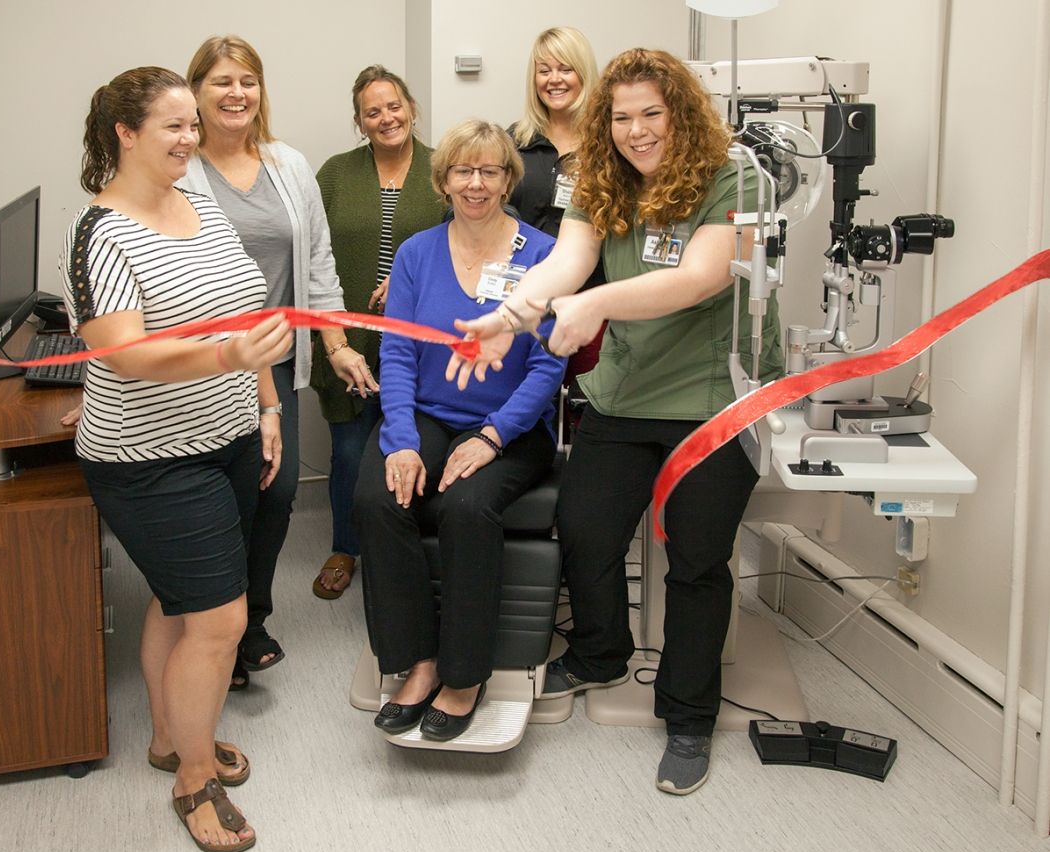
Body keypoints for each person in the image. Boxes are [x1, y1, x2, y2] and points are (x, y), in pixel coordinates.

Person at [450, 49, 783, 792]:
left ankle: (688, 714)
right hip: (626, 391)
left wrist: (595, 305)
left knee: (697, 561)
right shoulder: (601, 177)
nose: (636, 131)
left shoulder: (732, 177)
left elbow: (699, 279)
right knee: (586, 530)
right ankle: (602, 652)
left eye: (651, 114)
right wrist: (511, 314)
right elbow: (568, 261)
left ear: (681, 112)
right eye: (622, 117)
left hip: (712, 400)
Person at [63, 66, 295, 852]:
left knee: (179, 600)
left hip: (226, 436)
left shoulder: (196, 198)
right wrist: (228, 357)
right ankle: (193, 778)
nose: (192, 138)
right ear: (125, 133)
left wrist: (265, 402)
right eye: (175, 125)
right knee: (220, 620)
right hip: (151, 458)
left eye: (193, 123)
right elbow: (124, 355)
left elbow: (246, 312)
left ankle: (170, 737)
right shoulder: (101, 232)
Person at [355, 120, 565, 742]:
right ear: (443, 180)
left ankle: (465, 675)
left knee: (466, 506)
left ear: (508, 180)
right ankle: (417, 661)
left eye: (490, 171)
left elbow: (549, 366)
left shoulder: (543, 255)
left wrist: (493, 436)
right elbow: (396, 354)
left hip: (512, 427)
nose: (476, 184)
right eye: (462, 171)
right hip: (426, 413)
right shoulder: (416, 253)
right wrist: (402, 440)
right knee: (378, 497)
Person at [181, 36, 376, 689]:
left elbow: (317, 263)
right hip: (202, 365)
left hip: (276, 361)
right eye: (222, 81)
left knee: (278, 489)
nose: (237, 93)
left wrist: (337, 344)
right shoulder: (178, 170)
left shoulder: (288, 165)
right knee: (222, 500)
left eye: (248, 81)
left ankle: (250, 619)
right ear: (196, 92)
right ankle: (216, 631)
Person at [311, 65, 444, 601]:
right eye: (373, 111)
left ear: (411, 108)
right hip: (350, 337)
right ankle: (345, 547)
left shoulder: (443, 167)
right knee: (349, 450)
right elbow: (314, 253)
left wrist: (413, 275)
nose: (386, 118)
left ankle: (406, 548)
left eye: (394, 106)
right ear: (359, 121)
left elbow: (467, 239)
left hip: (421, 338)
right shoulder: (335, 174)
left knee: (413, 443)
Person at [507, 26, 605, 434]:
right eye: (544, 70)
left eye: (565, 69)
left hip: (589, 299)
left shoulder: (607, 143)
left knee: (586, 412)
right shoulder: (514, 141)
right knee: (526, 407)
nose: (554, 79)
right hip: (525, 295)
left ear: (583, 73)